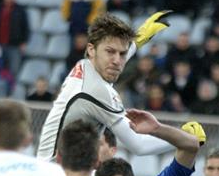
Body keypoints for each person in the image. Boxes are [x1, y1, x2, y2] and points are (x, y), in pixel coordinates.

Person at [36, 11, 173, 163]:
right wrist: (184, 137)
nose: (117, 61)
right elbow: (139, 146)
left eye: (123, 54)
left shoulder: (85, 66)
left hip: (50, 168)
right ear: (91, 49)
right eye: (110, 51)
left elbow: (114, 56)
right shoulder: (98, 91)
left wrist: (137, 39)